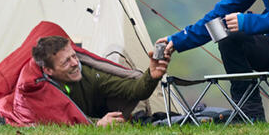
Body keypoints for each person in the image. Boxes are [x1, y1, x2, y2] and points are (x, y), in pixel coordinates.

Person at [32, 35, 170, 125]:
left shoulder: (89, 74)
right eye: (66, 62)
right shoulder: (40, 91)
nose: (75, 63)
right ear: (49, 71)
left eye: (74, 56)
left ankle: (142, 119)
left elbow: (135, 90)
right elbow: (56, 118)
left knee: (115, 52)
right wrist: (97, 124)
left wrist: (151, 76)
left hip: (103, 108)